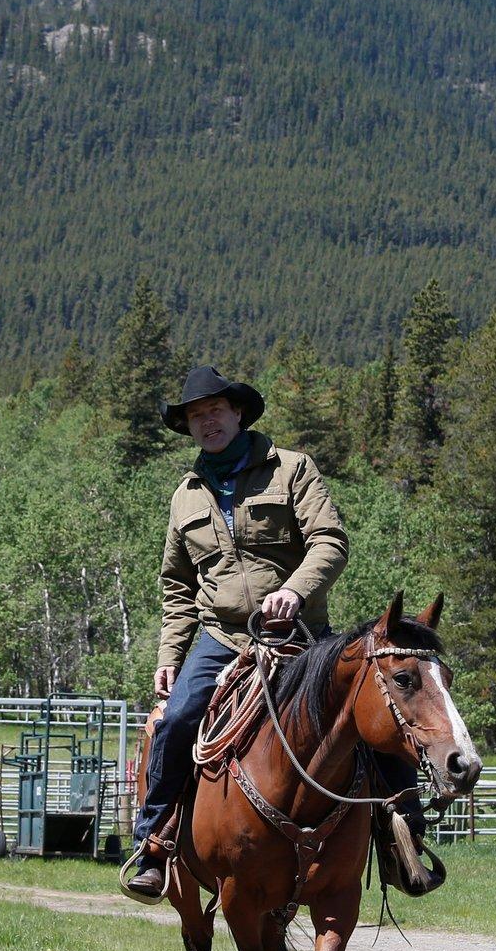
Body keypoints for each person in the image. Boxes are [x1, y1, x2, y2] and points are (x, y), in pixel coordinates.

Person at [120, 364, 445, 903]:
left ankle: (400, 837)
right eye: (196, 417)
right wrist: (169, 654)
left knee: (366, 711)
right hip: (222, 636)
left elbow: (330, 541)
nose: (207, 423)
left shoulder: (291, 469)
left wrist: (294, 589)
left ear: (238, 413)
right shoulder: (185, 496)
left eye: (216, 411)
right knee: (177, 719)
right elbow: (177, 586)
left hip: (303, 634)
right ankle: (155, 843)